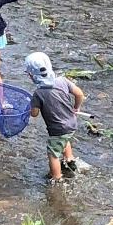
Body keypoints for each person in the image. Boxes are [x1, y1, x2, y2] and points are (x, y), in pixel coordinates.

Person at [26, 52, 86, 182]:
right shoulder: (62, 81)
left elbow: (34, 113)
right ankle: (69, 160)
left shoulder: (38, 93)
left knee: (53, 154)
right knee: (65, 139)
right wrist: (77, 108)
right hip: (71, 123)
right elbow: (79, 94)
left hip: (58, 130)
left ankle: (57, 178)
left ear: (31, 76)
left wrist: (31, 106)